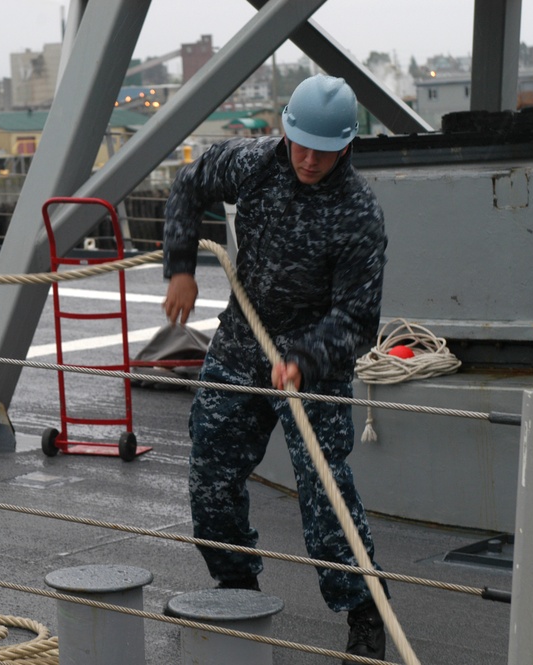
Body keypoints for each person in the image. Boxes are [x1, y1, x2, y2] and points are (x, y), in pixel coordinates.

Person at [161, 74, 389, 663]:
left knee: (325, 494)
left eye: (323, 149)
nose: (309, 159)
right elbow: (189, 184)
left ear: (347, 146)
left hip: (309, 367)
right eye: (300, 144)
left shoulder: (358, 214)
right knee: (210, 477)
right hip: (239, 347)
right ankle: (236, 590)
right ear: (285, 132)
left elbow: (357, 319)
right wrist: (180, 266)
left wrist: (303, 359)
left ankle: (364, 612)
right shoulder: (254, 164)